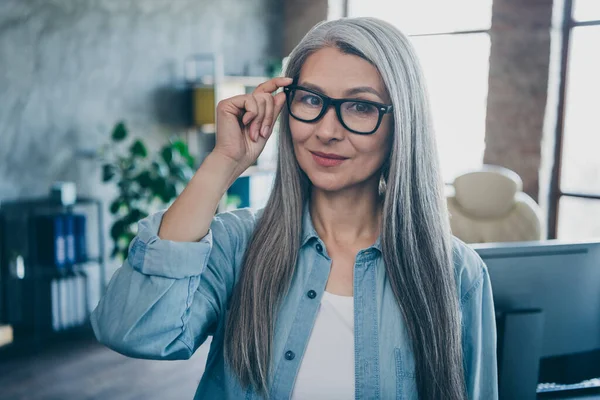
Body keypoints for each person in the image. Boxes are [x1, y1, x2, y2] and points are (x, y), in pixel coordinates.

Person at [91, 17, 498, 400]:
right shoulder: (237, 246)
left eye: (360, 107)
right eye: (310, 99)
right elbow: (134, 330)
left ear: (401, 124)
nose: (326, 130)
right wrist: (224, 162)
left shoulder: (458, 272)